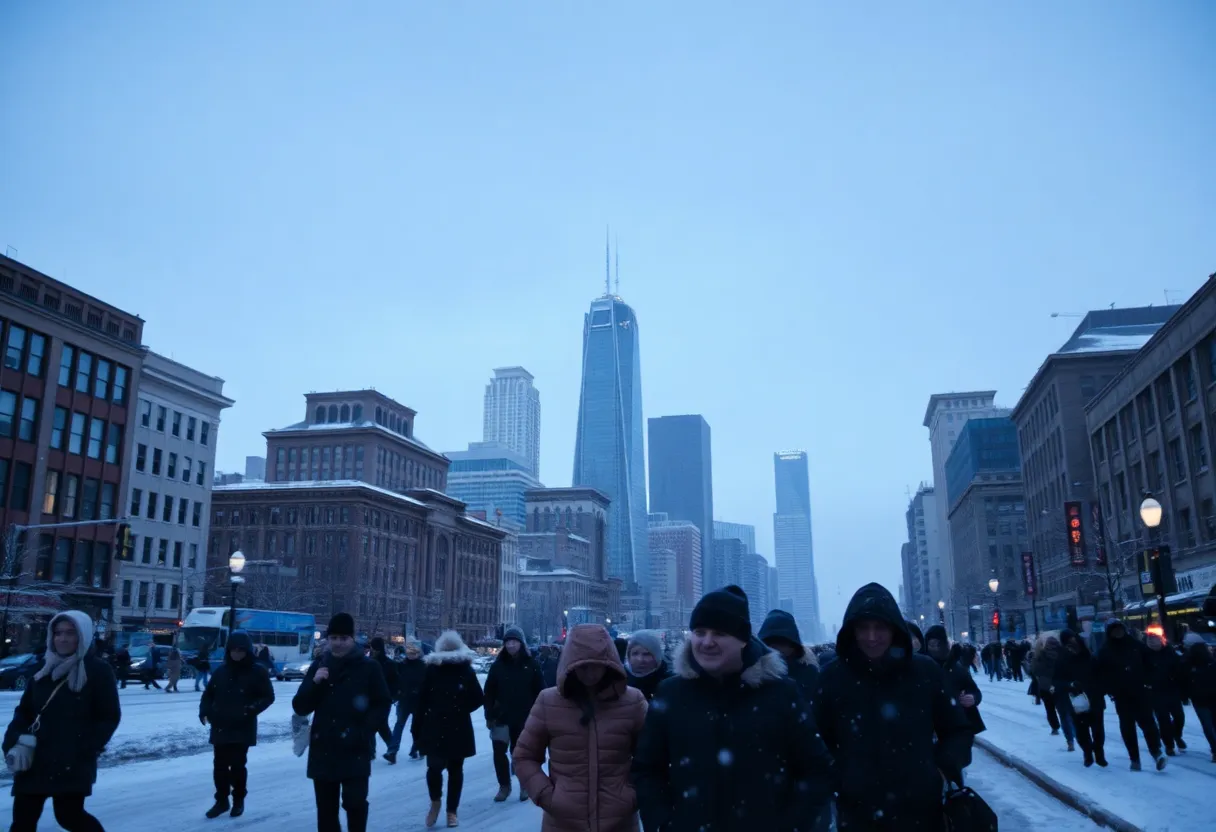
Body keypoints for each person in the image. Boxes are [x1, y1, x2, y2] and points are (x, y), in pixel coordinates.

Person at [632, 586, 834, 832]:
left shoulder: (781, 693)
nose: (707, 642)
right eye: (700, 632)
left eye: (719, 633)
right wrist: (664, 823)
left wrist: (791, 825)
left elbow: (816, 769)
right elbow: (647, 769)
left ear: (742, 641)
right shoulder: (671, 694)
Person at [814, 583, 972, 831]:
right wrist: (841, 778)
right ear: (851, 631)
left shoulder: (925, 672)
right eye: (863, 628)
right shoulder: (831, 678)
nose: (872, 637)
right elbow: (816, 742)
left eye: (880, 628)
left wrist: (940, 770)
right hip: (858, 815)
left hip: (922, 813)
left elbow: (958, 730)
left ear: (895, 630)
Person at [514, 624, 647, 831]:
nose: (590, 673)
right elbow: (524, 756)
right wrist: (547, 796)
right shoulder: (548, 702)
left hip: (620, 822)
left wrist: (632, 795)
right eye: (583, 666)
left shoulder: (632, 702)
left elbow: (652, 758)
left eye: (597, 665)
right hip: (562, 822)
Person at [3, 611, 121, 832]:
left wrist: (84, 746)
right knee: (23, 821)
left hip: (71, 762)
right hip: (34, 758)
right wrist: (13, 740)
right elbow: (25, 711)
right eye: (58, 633)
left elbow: (109, 716)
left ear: (83, 636)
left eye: (70, 633)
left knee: (70, 817)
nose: (63, 639)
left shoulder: (97, 671)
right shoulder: (43, 668)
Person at [292, 612, 391, 832]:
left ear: (352, 639)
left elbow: (382, 703)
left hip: (354, 748)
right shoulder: (319, 665)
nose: (338, 643)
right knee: (326, 810)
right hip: (323, 748)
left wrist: (364, 731)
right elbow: (300, 706)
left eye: (343, 638)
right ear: (328, 639)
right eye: (334, 638)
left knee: (355, 803)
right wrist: (315, 683)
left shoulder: (369, 668)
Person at [199, 630, 275, 818]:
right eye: (234, 650)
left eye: (241, 650)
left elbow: (268, 696)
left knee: (238, 766)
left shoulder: (257, 671)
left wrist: (249, 710)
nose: (237, 654)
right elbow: (208, 694)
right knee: (219, 767)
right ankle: (221, 800)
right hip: (220, 725)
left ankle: (238, 799)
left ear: (247, 651)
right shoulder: (221, 671)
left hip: (242, 726)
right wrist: (205, 712)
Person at [414, 629, 484, 828]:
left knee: (449, 769)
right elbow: (422, 700)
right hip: (439, 726)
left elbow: (478, 698)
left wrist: (459, 709)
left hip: (451, 726)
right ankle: (438, 804)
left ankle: (450, 810)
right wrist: (417, 727)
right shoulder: (433, 670)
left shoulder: (464, 671)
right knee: (439, 769)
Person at [483, 625, 544, 802]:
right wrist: (489, 714)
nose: (510, 645)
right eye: (508, 642)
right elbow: (489, 692)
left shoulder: (531, 665)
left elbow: (540, 690)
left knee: (520, 754)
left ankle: (524, 785)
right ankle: (504, 786)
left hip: (524, 718)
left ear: (520, 644)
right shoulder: (497, 666)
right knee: (498, 752)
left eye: (514, 642)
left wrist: (538, 714)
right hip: (501, 717)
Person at [1096, 618, 1166, 771]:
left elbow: (1150, 664)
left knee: (1148, 723)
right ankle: (1134, 758)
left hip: (1140, 690)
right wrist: (1110, 689)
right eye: (1114, 630)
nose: (1118, 632)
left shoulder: (1136, 645)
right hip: (1121, 695)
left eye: (1119, 629)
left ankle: (1156, 752)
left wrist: (1148, 682)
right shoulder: (1105, 651)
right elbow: (1102, 674)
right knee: (1128, 728)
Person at [1058, 630, 1107, 767]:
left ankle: (1099, 753)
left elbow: (1101, 675)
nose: (1072, 644)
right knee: (1081, 730)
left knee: (1098, 729)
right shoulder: (1062, 659)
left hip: (1094, 697)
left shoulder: (1090, 656)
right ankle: (1087, 753)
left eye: (1074, 639)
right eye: (1068, 641)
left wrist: (1101, 689)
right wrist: (1070, 685)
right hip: (1075, 699)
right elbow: (1057, 681)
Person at [925, 625, 984, 737]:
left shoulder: (957, 668)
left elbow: (974, 691)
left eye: (939, 644)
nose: (936, 648)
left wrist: (973, 698)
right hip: (928, 731)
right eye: (932, 644)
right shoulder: (921, 667)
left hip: (955, 729)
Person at [758, 609, 819, 702]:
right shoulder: (754, 677)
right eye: (769, 643)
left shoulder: (810, 674)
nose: (776, 648)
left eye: (782, 642)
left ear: (793, 646)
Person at [1031, 632, 1076, 751]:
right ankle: (1072, 735)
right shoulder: (1064, 653)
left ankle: (1056, 728)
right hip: (1062, 686)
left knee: (1050, 708)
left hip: (1046, 687)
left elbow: (1035, 670)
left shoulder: (1041, 655)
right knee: (1066, 712)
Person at [1145, 631, 1187, 755]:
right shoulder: (1145, 655)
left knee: (1179, 716)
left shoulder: (1169, 652)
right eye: (1151, 641)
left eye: (1156, 640)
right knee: (1163, 720)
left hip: (1171, 689)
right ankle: (1169, 745)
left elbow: (1178, 669)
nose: (1154, 643)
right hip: (1155, 692)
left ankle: (1177, 735)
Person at [385, 640, 426, 763]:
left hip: (419, 701)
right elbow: (396, 680)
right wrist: (397, 692)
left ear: (418, 653)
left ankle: (417, 748)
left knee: (417, 727)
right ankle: (392, 751)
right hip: (404, 700)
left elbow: (427, 684)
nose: (411, 654)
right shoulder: (401, 665)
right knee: (399, 725)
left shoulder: (424, 666)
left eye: (414, 652)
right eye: (409, 652)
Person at [1180, 633, 1216, 761]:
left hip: (1198, 698)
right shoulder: (1211, 659)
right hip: (1210, 696)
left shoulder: (1186, 661)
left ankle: (1215, 749)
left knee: (1207, 725)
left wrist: (1184, 695)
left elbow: (1183, 680)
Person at [368, 637, 399, 755]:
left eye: (374, 648)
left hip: (384, 700)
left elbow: (396, 681)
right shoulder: (369, 662)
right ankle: (389, 749)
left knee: (374, 726)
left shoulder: (389, 664)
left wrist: (392, 696)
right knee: (381, 727)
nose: (372, 650)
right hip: (371, 699)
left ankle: (374, 751)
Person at [623, 630, 671, 702]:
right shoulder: (618, 681)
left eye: (647, 654)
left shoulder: (669, 684)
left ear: (656, 657)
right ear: (629, 656)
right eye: (635, 653)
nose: (640, 659)